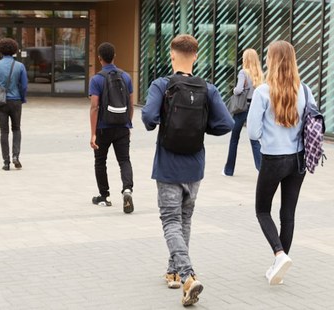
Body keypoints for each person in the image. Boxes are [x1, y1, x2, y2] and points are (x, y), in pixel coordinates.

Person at [142, 34, 234, 306]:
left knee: (170, 221)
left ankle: (187, 275)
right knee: (184, 220)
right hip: (194, 166)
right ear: (196, 55)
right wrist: (202, 127)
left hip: (168, 165)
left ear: (172, 55)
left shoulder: (162, 84)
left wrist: (159, 124)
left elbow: (148, 117)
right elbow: (226, 124)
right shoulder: (209, 89)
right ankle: (173, 272)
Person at [246, 40, 313, 285]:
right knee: (288, 214)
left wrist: (269, 136)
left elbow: (253, 132)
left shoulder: (263, 91)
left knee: (262, 210)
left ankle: (279, 254)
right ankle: (280, 265)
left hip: (273, 158)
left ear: (271, 61)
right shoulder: (305, 90)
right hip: (299, 159)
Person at [89, 42, 135, 213]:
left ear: (99, 58)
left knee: (100, 161)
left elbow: (94, 107)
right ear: (114, 56)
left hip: (103, 127)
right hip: (122, 126)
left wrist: (93, 133)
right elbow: (130, 104)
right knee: (124, 160)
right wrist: (127, 124)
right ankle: (127, 189)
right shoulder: (126, 77)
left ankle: (104, 196)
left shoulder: (97, 79)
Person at [0, 38, 27, 171]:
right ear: (14, 50)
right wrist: (22, 98)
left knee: (4, 132)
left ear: (0, 50)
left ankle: (6, 162)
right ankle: (16, 156)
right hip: (16, 101)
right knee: (16, 129)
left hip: (0, 102)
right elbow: (24, 86)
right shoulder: (20, 66)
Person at [223, 48, 262, 176]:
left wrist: (234, 90)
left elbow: (239, 90)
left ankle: (229, 170)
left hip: (242, 108)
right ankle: (262, 169)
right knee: (254, 139)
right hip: (254, 108)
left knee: (234, 138)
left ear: (245, 59)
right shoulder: (259, 74)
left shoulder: (243, 72)